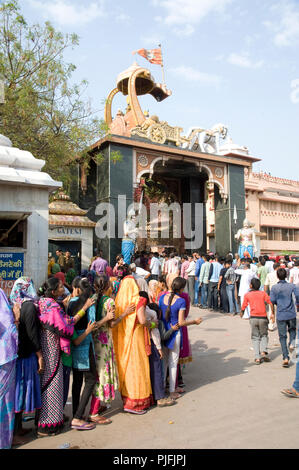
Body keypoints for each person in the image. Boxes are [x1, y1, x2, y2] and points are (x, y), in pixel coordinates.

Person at [37, 277, 94, 436]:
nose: (64, 287)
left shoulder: (43, 303)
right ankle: (47, 426)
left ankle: (49, 421)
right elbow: (67, 324)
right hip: (52, 351)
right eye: (61, 286)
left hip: (47, 347)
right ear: (54, 291)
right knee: (53, 386)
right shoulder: (53, 307)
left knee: (50, 385)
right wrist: (85, 308)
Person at [88, 275, 135, 423]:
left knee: (97, 374)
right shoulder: (109, 302)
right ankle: (94, 412)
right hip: (104, 341)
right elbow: (113, 324)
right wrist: (125, 313)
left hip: (93, 340)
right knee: (102, 375)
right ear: (108, 286)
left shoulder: (93, 299)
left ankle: (98, 405)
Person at [113, 275, 153, 414]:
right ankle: (136, 403)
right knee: (138, 368)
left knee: (128, 369)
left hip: (123, 340)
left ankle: (127, 401)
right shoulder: (139, 301)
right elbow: (142, 321)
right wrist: (152, 323)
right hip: (136, 339)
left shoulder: (118, 301)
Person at [9, 278, 43, 442]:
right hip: (26, 356)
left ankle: (18, 428)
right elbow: (31, 332)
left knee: (18, 391)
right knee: (21, 392)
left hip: (16, 355)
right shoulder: (29, 306)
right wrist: (39, 354)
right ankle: (15, 432)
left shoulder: (13, 304)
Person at [159, 277, 202, 400]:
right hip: (174, 334)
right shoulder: (181, 301)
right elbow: (182, 322)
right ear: (182, 288)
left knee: (165, 363)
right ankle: (172, 391)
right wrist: (195, 321)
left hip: (164, 332)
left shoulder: (162, 297)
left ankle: (161, 389)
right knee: (173, 363)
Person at [67, 278, 99, 430]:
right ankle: (78, 417)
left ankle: (76, 413)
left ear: (78, 289)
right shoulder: (90, 302)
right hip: (85, 342)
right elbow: (92, 324)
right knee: (91, 379)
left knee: (78, 380)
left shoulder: (71, 302)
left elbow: (70, 321)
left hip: (74, 343)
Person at [0, 289, 18, 449]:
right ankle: (4, 442)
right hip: (4, 355)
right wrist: (16, 318)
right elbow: (7, 324)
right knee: (4, 401)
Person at [240, 278, 274, 364]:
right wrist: (272, 313)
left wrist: (242, 312)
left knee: (255, 337)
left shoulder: (247, 295)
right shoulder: (263, 294)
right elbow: (270, 303)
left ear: (251, 285)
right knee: (264, 335)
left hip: (253, 318)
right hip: (263, 317)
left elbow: (244, 305)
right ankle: (263, 351)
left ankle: (257, 357)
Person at [270, 268, 299, 368]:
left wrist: (274, 310)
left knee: (282, 337)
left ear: (277, 276)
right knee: (292, 330)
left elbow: (272, 300)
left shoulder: (274, 288)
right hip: (291, 313)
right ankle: (291, 343)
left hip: (281, 314)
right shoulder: (292, 286)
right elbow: (298, 295)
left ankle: (285, 357)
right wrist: (297, 304)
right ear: (286, 275)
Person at [264, 263, 280, 331]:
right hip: (280, 294)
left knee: (271, 309)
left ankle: (271, 325)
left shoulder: (269, 274)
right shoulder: (280, 273)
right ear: (278, 267)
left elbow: (266, 285)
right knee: (280, 309)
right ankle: (281, 324)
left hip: (272, 293)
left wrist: (265, 294)